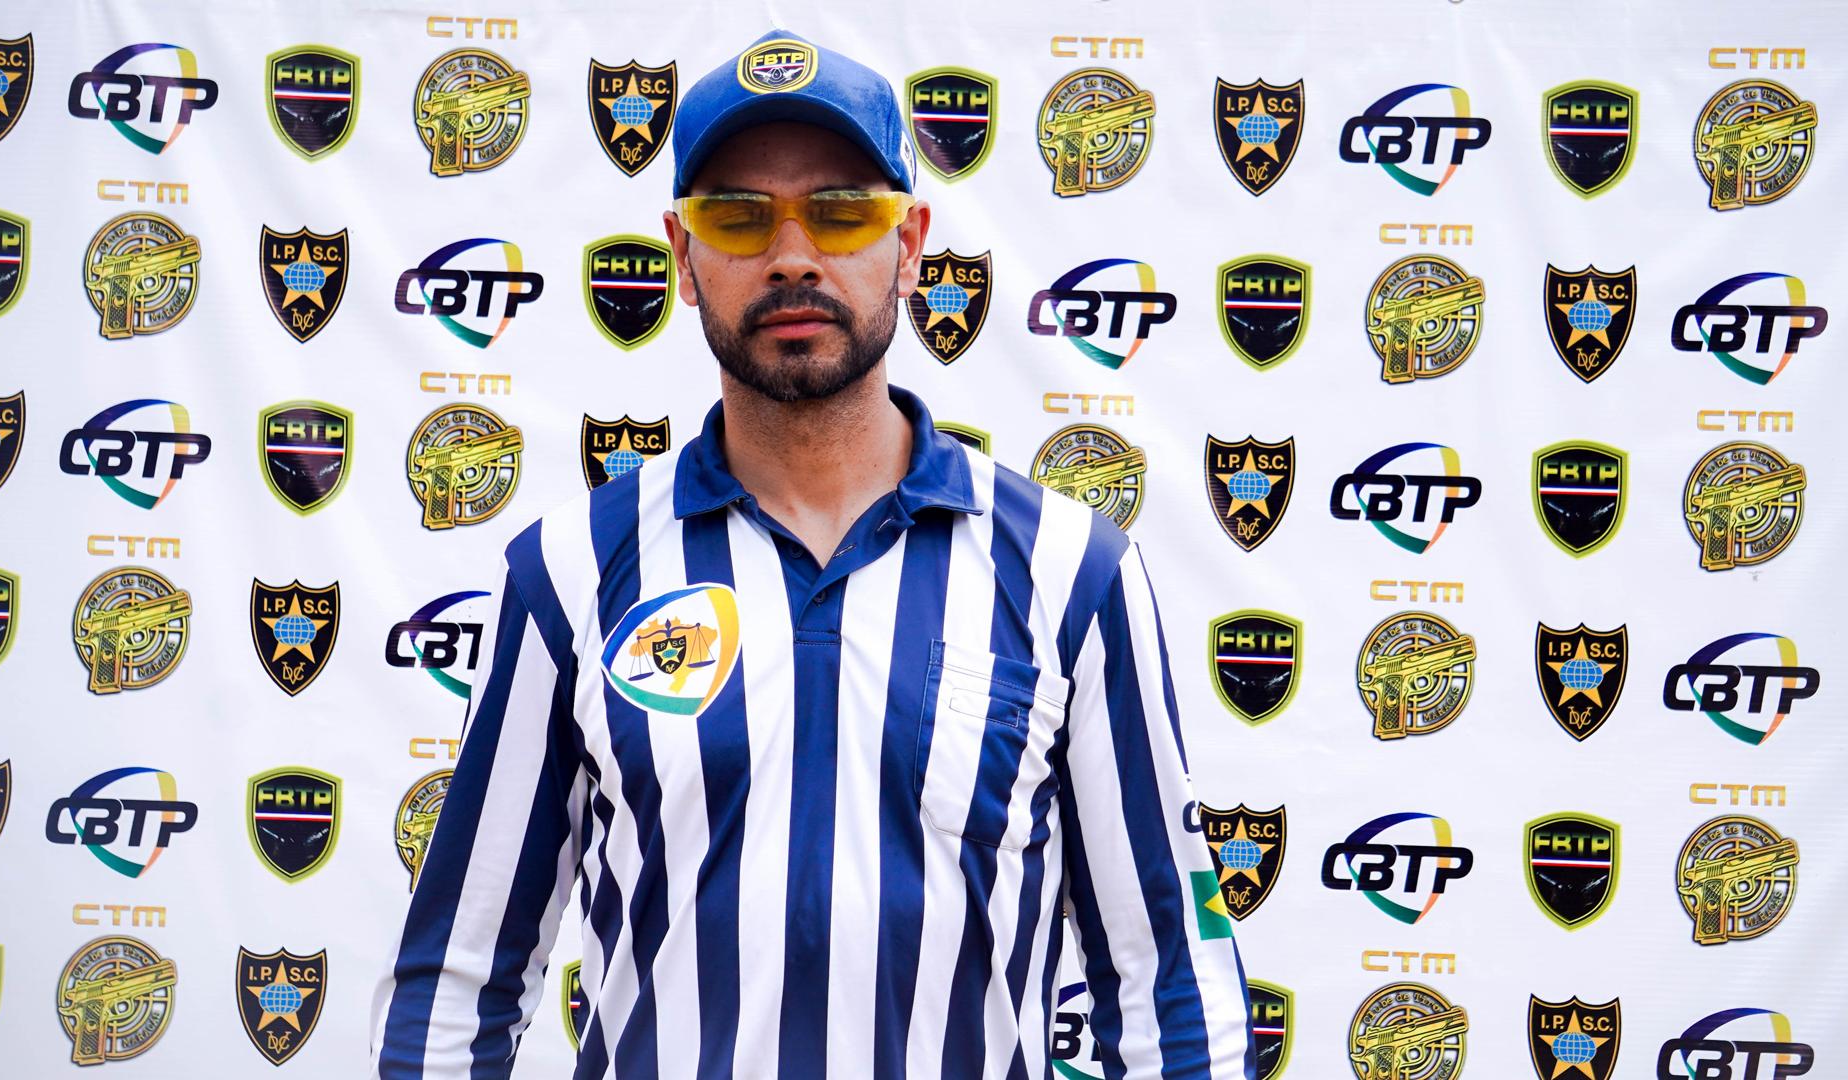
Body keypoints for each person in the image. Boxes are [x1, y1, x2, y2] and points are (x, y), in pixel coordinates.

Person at [371, 29, 1254, 1079]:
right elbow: (457, 982)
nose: (792, 256)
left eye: (840, 213)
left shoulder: (1071, 572)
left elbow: (1171, 980)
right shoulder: (569, 572)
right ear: (682, 256)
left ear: (910, 243)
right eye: (740, 217)